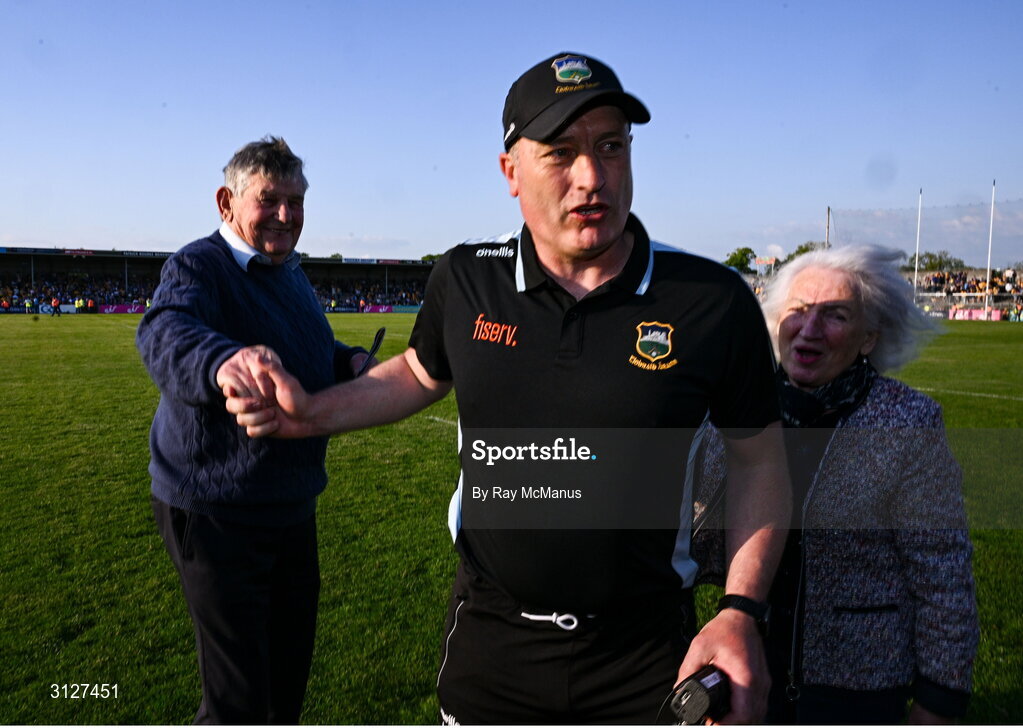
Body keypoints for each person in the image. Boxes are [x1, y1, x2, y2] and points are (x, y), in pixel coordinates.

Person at [226, 53, 790, 724]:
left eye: (611, 146)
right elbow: (415, 372)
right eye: (560, 153)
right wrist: (310, 414)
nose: (592, 176)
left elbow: (760, 459)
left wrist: (739, 610)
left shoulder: (709, 301)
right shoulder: (466, 280)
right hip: (492, 642)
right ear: (510, 173)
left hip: (645, 653)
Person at [136, 137, 372, 724]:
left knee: (286, 683)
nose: (287, 216)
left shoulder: (288, 271)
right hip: (218, 510)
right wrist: (224, 363)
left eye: (296, 202)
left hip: (291, 503)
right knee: (238, 701)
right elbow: (164, 331)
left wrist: (347, 363)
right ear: (226, 202)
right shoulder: (198, 264)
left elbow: (308, 345)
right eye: (270, 199)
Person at [694, 245, 979, 724]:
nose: (810, 329)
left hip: (856, 690)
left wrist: (938, 702)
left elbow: (943, 578)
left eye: (835, 315)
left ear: (868, 338)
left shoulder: (908, 423)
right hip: (746, 666)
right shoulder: (738, 410)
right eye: (798, 311)